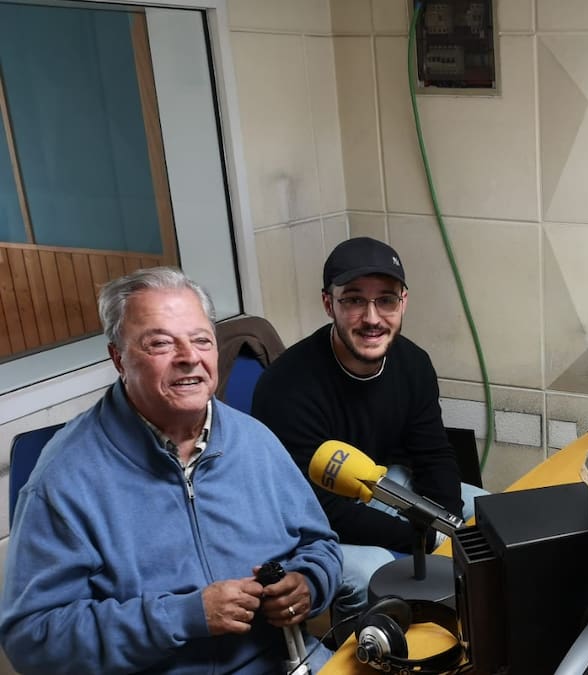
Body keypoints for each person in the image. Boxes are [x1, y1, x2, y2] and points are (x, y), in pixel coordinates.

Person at [0, 267, 342, 674]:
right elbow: (32, 639)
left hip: (285, 661)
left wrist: (308, 584)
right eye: (161, 343)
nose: (189, 357)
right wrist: (182, 617)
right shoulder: (64, 478)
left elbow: (321, 545)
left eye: (201, 340)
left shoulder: (254, 440)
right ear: (118, 358)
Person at [252, 236, 488, 623]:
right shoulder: (286, 386)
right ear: (328, 303)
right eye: (354, 300)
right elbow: (317, 508)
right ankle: (369, 649)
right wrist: (423, 536)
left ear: (403, 302)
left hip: (378, 486)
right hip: (304, 521)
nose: (372, 318)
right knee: (371, 571)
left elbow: (433, 455)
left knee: (488, 515)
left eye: (386, 300)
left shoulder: (412, 363)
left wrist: (444, 524)